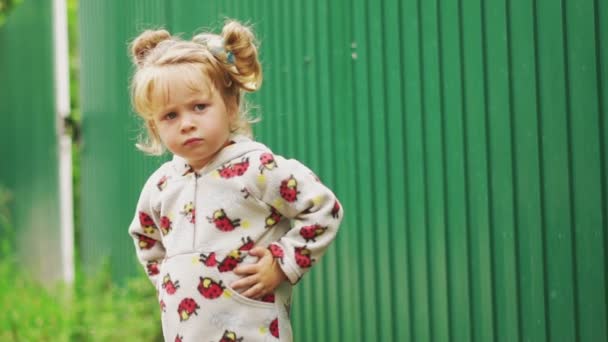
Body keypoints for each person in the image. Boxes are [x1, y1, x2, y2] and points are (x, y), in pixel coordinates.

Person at [127, 20, 343, 342]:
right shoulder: (161, 185)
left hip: (252, 328)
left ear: (229, 105)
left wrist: (282, 263)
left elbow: (323, 208)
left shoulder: (257, 168)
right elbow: (145, 237)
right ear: (154, 126)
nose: (187, 123)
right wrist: (171, 282)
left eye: (199, 107)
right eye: (170, 115)